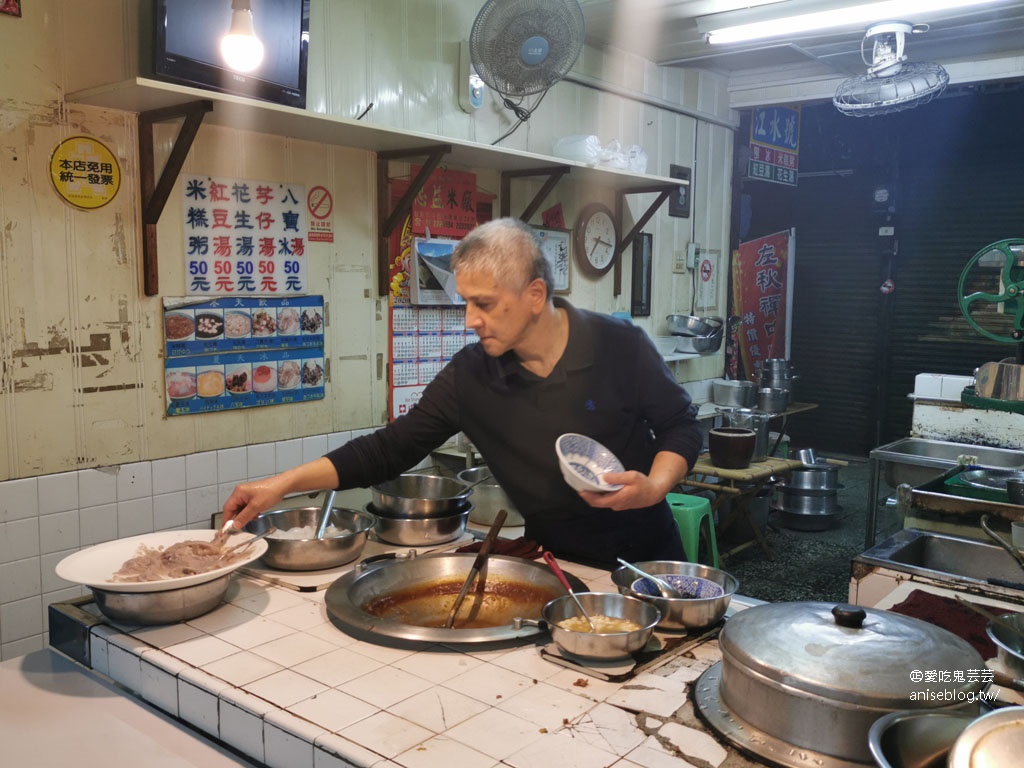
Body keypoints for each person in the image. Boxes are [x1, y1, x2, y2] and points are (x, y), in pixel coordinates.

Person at [222, 217, 703, 566]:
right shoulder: (472, 374)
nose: (471, 320)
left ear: (535, 296)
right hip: (560, 566)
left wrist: (655, 486)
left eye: (485, 304)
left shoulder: (619, 345)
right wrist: (281, 485)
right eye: (466, 303)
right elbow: (389, 449)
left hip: (648, 562)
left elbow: (680, 426)